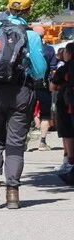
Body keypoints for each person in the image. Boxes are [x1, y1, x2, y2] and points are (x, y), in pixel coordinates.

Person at [0, 0, 48, 209]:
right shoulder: (33, 35)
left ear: (8, 7)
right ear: (29, 9)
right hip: (21, 93)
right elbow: (39, 71)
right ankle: (13, 194)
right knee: (15, 143)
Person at [30, 25, 57, 150]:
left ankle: (23, 141)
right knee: (46, 114)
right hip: (44, 84)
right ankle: (42, 142)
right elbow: (53, 69)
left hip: (28, 85)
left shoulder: (27, 48)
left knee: (25, 113)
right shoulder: (49, 50)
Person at [51, 44, 74, 179]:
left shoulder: (64, 68)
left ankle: (69, 161)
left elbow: (52, 86)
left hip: (67, 103)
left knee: (67, 132)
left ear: (69, 53)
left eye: (65, 51)